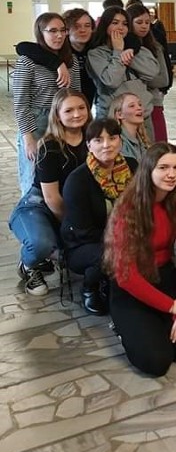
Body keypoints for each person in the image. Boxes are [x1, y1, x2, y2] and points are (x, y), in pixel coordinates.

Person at [102, 143, 176, 376]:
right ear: (148, 170)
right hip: (131, 287)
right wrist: (172, 306)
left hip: (164, 276)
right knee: (156, 363)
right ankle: (124, 325)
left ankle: (154, 325)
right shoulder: (128, 207)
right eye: (163, 167)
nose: (171, 174)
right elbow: (126, 277)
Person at [9, 88, 90, 296]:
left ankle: (53, 252)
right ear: (57, 115)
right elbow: (52, 199)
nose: (76, 114)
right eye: (69, 110)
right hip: (39, 206)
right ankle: (29, 264)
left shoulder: (94, 141)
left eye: (81, 108)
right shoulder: (49, 147)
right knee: (42, 244)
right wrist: (72, 229)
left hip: (71, 206)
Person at [61, 118, 136, 315]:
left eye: (112, 138)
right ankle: (90, 287)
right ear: (88, 145)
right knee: (109, 254)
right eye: (98, 140)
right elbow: (82, 231)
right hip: (83, 244)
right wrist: (120, 240)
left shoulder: (132, 167)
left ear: (120, 141)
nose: (106, 145)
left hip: (124, 235)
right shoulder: (78, 180)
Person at [13, 13, 81, 194]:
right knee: (33, 180)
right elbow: (20, 104)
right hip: (38, 122)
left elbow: (76, 95)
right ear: (40, 33)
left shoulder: (70, 61)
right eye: (52, 31)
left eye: (62, 30)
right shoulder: (28, 61)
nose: (59, 36)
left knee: (61, 174)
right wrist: (28, 138)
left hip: (63, 122)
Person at [87, 6, 159, 140]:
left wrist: (130, 54)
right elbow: (111, 81)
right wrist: (118, 52)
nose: (120, 27)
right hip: (113, 120)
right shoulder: (96, 54)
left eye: (125, 24)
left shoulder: (140, 50)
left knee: (146, 158)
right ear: (105, 25)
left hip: (142, 118)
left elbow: (152, 73)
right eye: (115, 23)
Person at [16, 8, 96, 107]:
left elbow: (76, 93)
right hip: (43, 115)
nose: (83, 30)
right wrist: (58, 63)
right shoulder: (37, 55)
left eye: (87, 25)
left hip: (75, 110)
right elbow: (22, 46)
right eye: (76, 26)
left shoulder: (94, 49)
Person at [126, 3, 171, 141]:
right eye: (139, 22)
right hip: (129, 106)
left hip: (153, 102)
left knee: (158, 145)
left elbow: (163, 80)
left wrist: (140, 77)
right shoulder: (121, 48)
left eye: (147, 22)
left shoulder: (155, 47)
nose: (144, 26)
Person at [109, 92, 150, 162]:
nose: (139, 108)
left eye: (140, 104)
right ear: (119, 114)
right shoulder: (118, 142)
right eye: (132, 106)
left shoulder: (141, 139)